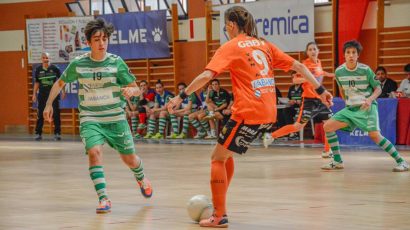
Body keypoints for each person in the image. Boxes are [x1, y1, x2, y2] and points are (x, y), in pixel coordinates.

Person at [167, 6, 332, 228]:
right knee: (227, 154)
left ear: (232, 25)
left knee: (217, 158)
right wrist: (321, 91)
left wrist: (181, 96)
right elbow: (299, 66)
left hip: (248, 111)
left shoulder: (231, 47)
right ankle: (219, 202)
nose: (226, 29)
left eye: (226, 25)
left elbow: (207, 75)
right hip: (269, 112)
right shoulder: (263, 44)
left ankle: (219, 215)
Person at [43, 18, 153, 213]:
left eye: (104, 39)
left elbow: (136, 88)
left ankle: (141, 177)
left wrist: (131, 91)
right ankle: (104, 199)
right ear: (88, 43)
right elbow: (60, 83)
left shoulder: (116, 63)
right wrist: (49, 104)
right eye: (97, 39)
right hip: (91, 118)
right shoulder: (78, 64)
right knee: (94, 153)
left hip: (116, 119)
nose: (102, 43)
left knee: (130, 159)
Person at [321, 40, 409, 172]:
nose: (351, 55)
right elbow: (342, 89)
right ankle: (338, 161)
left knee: (375, 136)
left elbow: (378, 89)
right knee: (327, 126)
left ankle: (402, 162)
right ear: (344, 55)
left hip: (367, 107)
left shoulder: (365, 70)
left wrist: (369, 100)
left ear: (358, 55)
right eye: (348, 52)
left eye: (354, 52)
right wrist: (348, 102)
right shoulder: (339, 72)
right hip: (351, 109)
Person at [263, 41, 334, 158]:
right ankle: (271, 136)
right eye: (310, 49)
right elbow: (295, 80)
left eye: (314, 49)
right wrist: (308, 78)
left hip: (320, 100)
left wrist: (331, 75)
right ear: (307, 52)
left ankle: (327, 150)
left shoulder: (319, 62)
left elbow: (320, 72)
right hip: (309, 101)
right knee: (297, 126)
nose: (312, 51)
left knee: (330, 124)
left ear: (318, 51)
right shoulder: (304, 65)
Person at [32, 52, 65, 141]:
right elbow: (37, 83)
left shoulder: (55, 69)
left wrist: (63, 91)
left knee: (56, 114)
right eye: (44, 58)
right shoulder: (38, 69)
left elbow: (61, 80)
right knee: (40, 114)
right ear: (41, 59)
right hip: (42, 95)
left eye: (47, 58)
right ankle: (38, 133)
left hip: (53, 94)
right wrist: (34, 94)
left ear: (49, 58)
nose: (45, 59)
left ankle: (57, 133)